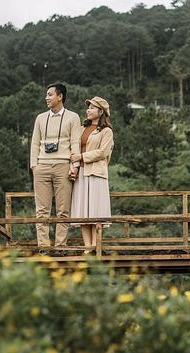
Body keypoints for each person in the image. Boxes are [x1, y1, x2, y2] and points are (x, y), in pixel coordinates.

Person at [30, 83, 82, 248]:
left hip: (63, 166)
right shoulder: (40, 118)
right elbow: (35, 143)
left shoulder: (73, 117)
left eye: (50, 94)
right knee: (42, 210)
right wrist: (34, 166)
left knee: (63, 210)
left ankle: (60, 246)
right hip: (42, 166)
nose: (47, 98)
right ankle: (43, 247)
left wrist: (75, 166)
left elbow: (75, 143)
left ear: (60, 96)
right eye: (46, 95)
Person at [70, 96, 113, 250]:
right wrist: (74, 166)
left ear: (101, 111)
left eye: (92, 107)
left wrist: (82, 157)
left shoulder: (107, 131)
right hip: (81, 173)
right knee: (83, 212)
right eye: (88, 107)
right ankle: (88, 248)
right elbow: (74, 149)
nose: (88, 110)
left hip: (96, 174)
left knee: (95, 212)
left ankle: (96, 246)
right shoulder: (82, 128)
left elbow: (103, 152)